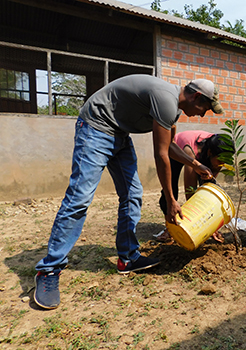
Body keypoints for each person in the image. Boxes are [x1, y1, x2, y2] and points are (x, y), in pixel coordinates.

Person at [34, 75, 223, 309]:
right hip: (95, 127)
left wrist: (195, 165)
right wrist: (171, 200)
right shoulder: (166, 99)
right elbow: (161, 155)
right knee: (79, 198)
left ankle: (128, 258)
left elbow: (171, 146)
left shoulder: (172, 109)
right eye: (204, 108)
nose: (203, 115)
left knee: (133, 194)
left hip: (119, 135)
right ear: (196, 97)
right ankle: (49, 270)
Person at [155, 130, 228, 242]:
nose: (221, 165)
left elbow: (208, 187)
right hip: (177, 149)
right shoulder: (192, 152)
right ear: (209, 153)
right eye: (220, 161)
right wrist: (195, 219)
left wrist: (210, 225)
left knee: (206, 188)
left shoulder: (220, 153)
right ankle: (169, 228)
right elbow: (190, 191)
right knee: (170, 188)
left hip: (202, 153)